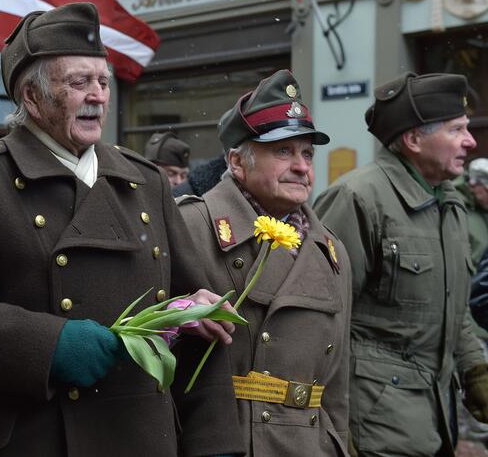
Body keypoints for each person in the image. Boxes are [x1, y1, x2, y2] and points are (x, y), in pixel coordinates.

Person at [0, 3, 243, 457]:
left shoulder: (144, 182)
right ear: (31, 98)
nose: (98, 95)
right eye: (78, 82)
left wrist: (213, 443)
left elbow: (193, 319)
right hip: (36, 440)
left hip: (141, 438)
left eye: (103, 82)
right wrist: (51, 346)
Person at [177, 70, 351, 456]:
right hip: (230, 439)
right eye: (283, 151)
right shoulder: (191, 225)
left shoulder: (331, 249)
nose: (302, 166)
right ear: (237, 162)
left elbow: (336, 385)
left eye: (307, 153)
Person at [314, 72, 488, 456]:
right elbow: (321, 317)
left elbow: (452, 308)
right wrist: (332, 426)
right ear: (413, 139)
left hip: (433, 417)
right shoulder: (357, 198)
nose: (470, 141)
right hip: (372, 424)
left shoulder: (449, 202)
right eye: (457, 129)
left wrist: (475, 370)